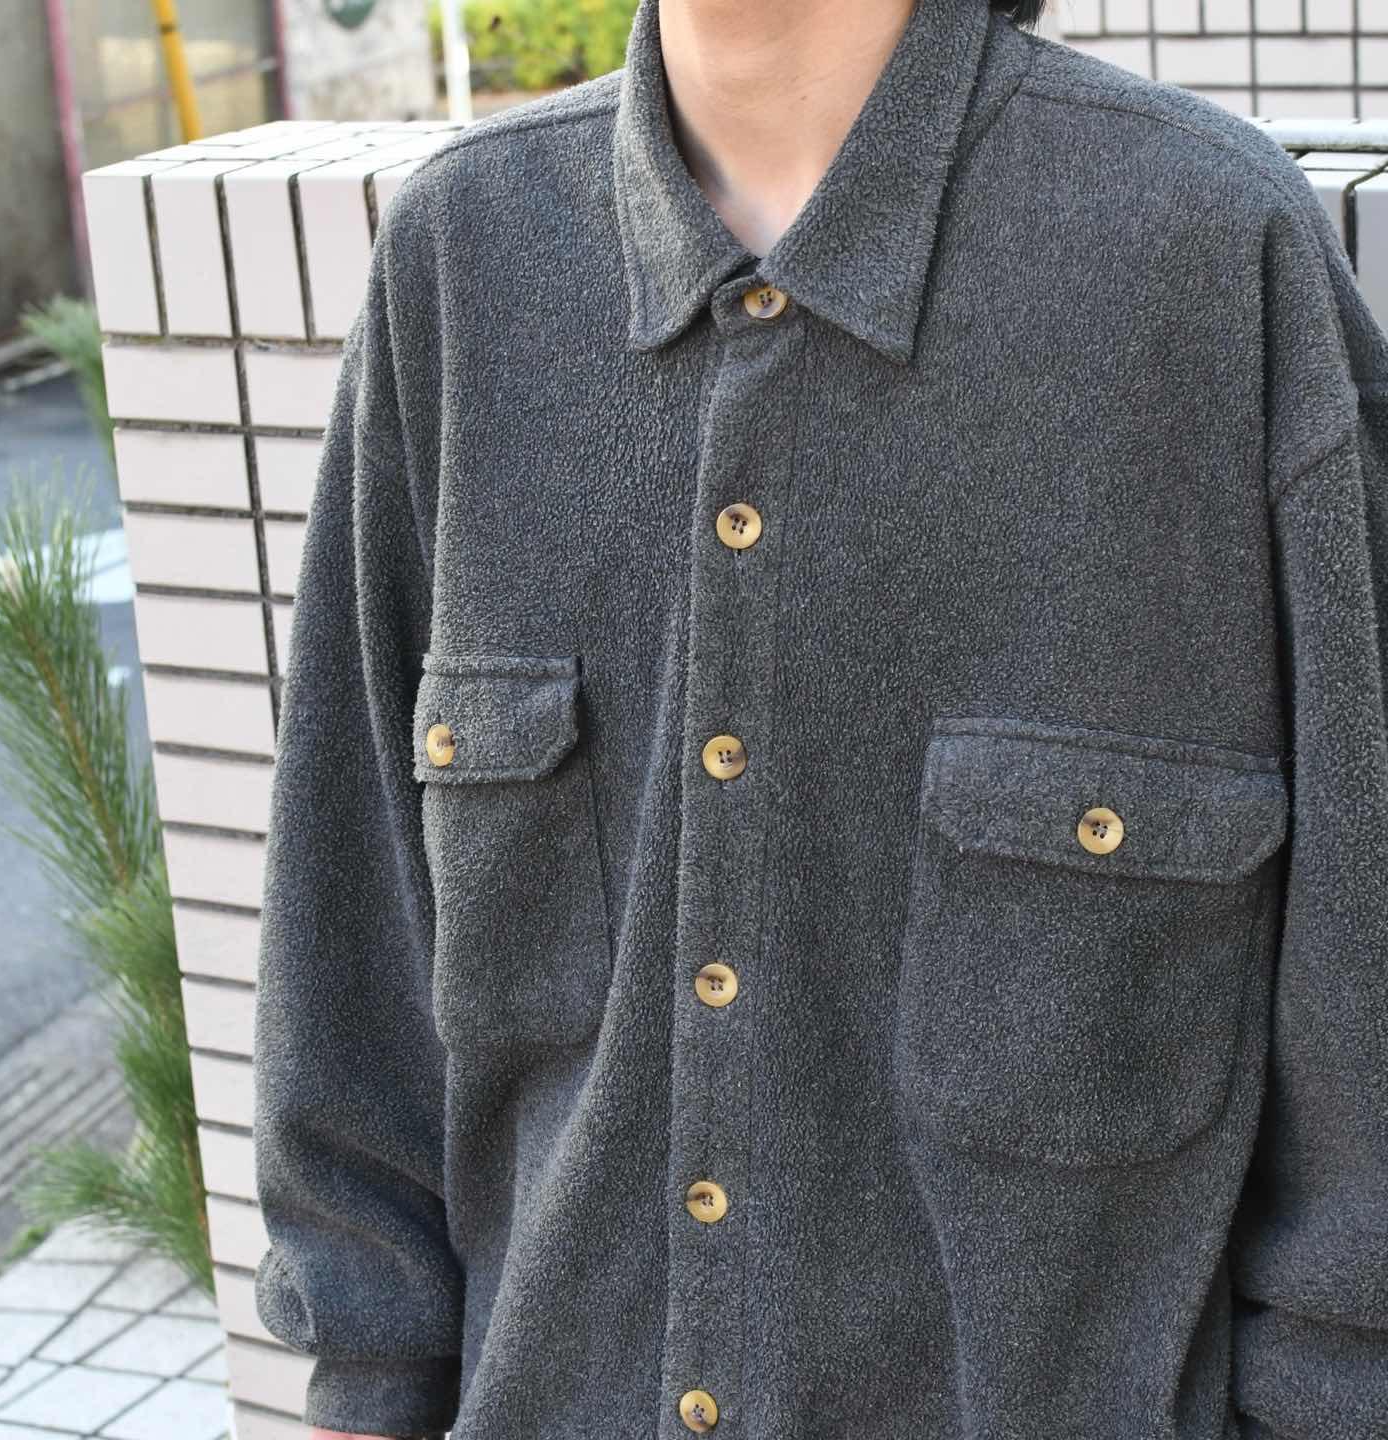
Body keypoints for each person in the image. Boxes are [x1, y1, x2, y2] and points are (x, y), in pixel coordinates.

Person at [250, 0, 1388, 1436]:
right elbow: (351, 922)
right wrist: (364, 1373)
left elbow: (1362, 977)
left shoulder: (1205, 257)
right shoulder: (461, 264)